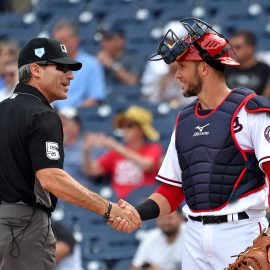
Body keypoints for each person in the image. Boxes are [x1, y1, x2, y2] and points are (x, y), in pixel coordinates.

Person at [112, 17, 270, 270]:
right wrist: (136, 212)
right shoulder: (184, 119)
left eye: (182, 66)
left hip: (242, 231)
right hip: (194, 235)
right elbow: (172, 191)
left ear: (204, 67)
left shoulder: (250, 110)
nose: (177, 75)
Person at [0, 37, 140, 270]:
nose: (70, 75)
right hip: (22, 226)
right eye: (61, 68)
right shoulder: (42, 114)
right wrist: (107, 208)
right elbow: (51, 177)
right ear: (35, 70)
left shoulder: (2, 109)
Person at [83, 105, 163, 199]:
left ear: (142, 130)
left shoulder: (154, 148)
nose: (125, 130)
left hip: (143, 201)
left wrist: (116, 146)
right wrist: (86, 151)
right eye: (123, 127)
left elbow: (147, 165)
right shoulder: (116, 152)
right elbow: (91, 171)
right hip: (119, 203)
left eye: (130, 126)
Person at [52, 19, 106, 109]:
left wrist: (72, 113)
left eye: (63, 40)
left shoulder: (91, 64)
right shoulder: (47, 65)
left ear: (76, 40)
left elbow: (96, 98)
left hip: (79, 116)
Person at [225, 30, 270, 96]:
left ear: (250, 48)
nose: (232, 51)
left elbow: (266, 99)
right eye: (230, 47)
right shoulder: (224, 70)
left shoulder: (265, 70)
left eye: (238, 47)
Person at [96, 24, 141, 88]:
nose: (103, 43)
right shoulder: (96, 60)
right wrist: (95, 65)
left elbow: (132, 82)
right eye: (102, 39)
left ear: (121, 41)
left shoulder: (132, 59)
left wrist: (112, 64)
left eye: (108, 39)